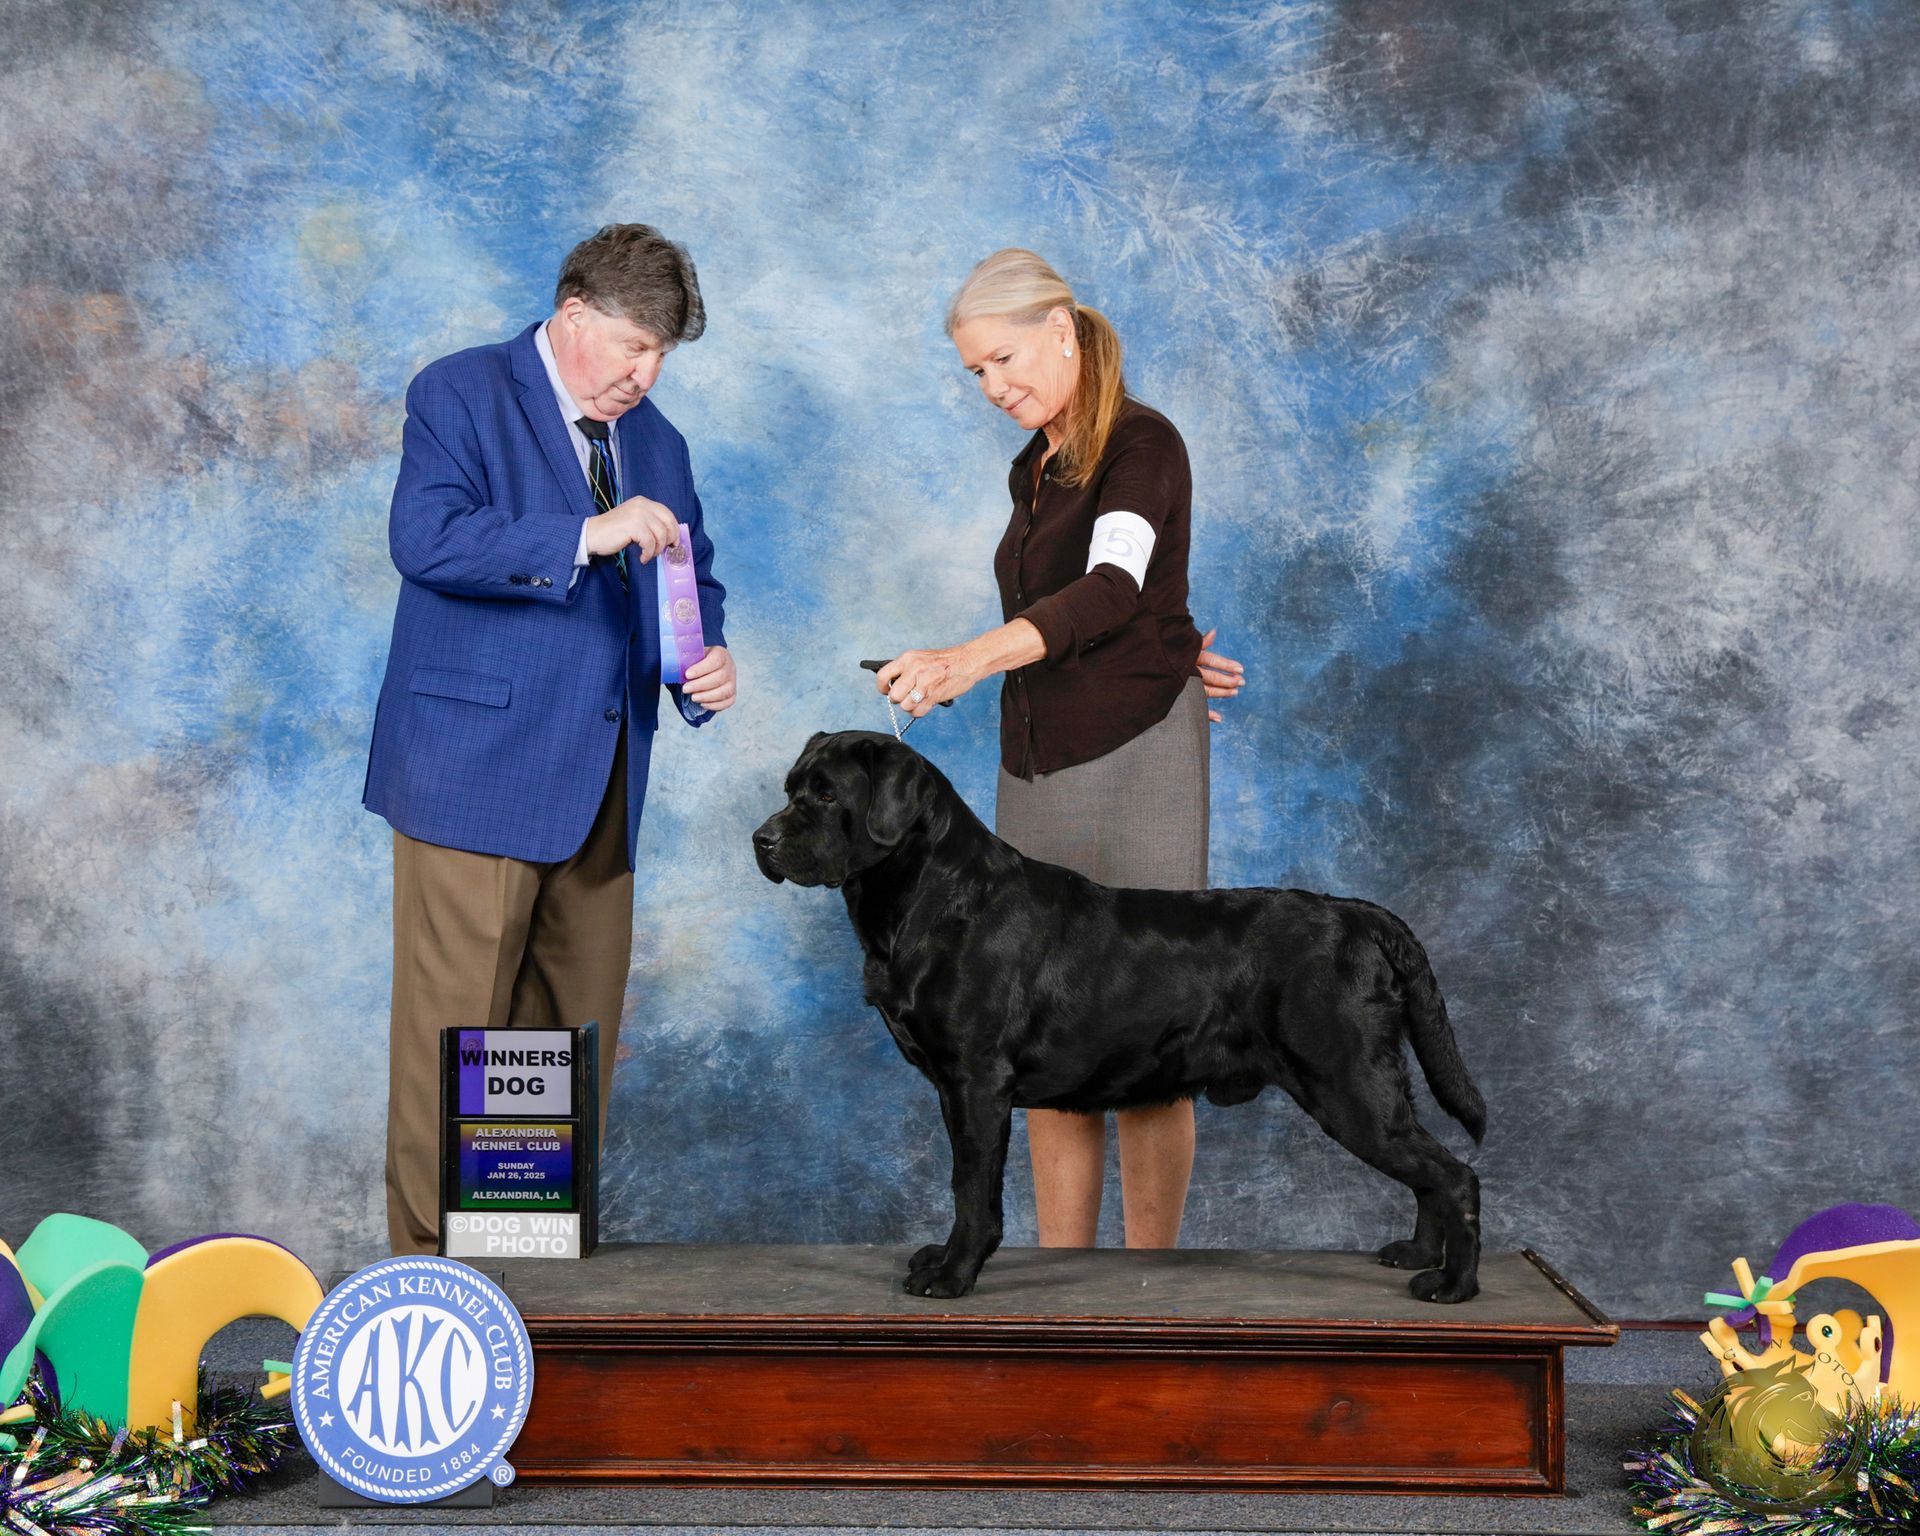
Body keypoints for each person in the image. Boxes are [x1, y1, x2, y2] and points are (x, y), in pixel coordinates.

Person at [364, 224, 737, 1256]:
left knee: (554, 1059)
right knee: (454, 1045)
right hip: (471, 775)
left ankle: (526, 1282)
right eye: (633, 346)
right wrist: (582, 534)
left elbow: (690, 577)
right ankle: (434, 1293)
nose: (645, 374)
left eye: (661, 355)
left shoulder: (659, 442)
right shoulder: (460, 391)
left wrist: (703, 663)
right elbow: (426, 537)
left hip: (603, 784)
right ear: (574, 315)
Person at [877, 248, 1245, 1251]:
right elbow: (1114, 599)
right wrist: (1171, 642)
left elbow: (1114, 587)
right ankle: (1063, 1287)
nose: (994, 388)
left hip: (1138, 758)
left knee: (1154, 1028)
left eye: (1004, 360)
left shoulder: (1142, 443)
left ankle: (1149, 1283)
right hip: (1035, 764)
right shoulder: (1034, 463)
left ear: (1062, 330)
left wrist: (967, 660)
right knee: (1037, 1029)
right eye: (976, 372)